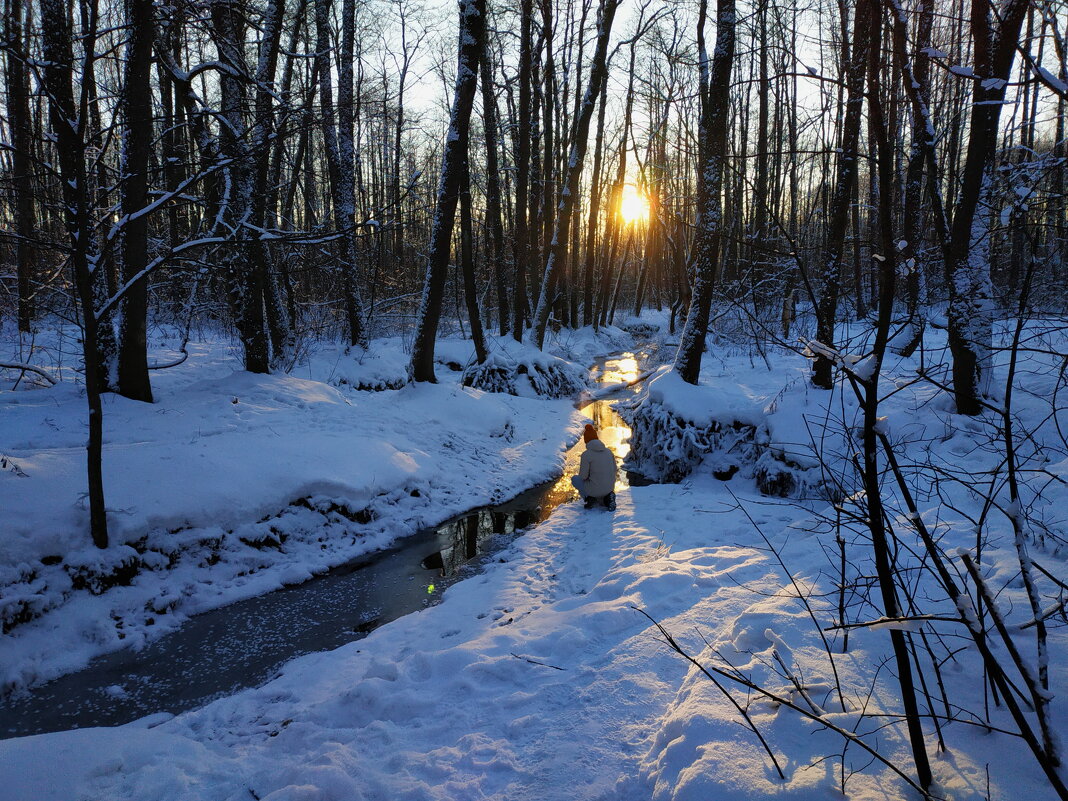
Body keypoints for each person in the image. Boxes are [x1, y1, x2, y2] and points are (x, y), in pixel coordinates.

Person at [571, 424, 617, 510]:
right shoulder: (608, 452)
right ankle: (608, 497)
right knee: (602, 484)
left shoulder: (586, 455)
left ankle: (589, 498)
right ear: (597, 438)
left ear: (586, 441)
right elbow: (615, 470)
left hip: (594, 490)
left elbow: (583, 477)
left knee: (575, 479)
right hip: (610, 487)